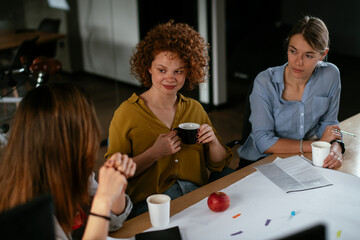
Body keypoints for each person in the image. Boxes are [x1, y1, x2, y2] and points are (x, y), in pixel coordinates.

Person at [105, 20, 233, 217]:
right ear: (148, 67)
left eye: (178, 71)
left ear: (189, 70)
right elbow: (114, 176)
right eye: (162, 70)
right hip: (150, 206)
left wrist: (214, 141)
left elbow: (218, 164)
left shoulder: (194, 109)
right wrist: (154, 154)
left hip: (196, 198)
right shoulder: (126, 113)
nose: (170, 78)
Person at [0, 83, 136, 240]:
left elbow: (112, 223)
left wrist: (116, 187)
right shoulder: (28, 210)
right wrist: (103, 199)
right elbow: (102, 214)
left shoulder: (73, 170)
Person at [237, 16, 344, 169]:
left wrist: (336, 147)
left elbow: (329, 123)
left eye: (308, 55)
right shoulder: (265, 81)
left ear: (322, 54)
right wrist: (316, 144)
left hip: (300, 160)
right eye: (293, 51)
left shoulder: (330, 75)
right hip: (259, 162)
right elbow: (263, 142)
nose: (298, 62)